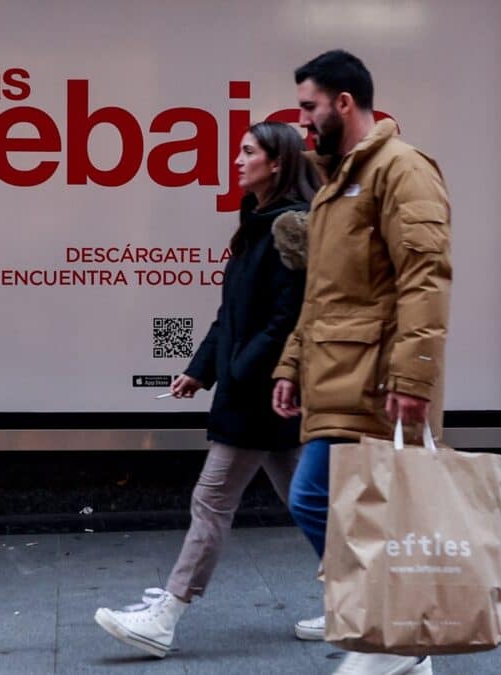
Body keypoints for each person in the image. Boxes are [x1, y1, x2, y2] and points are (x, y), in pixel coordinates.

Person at [93, 121, 322, 659]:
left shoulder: (291, 227)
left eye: (248, 152)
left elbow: (288, 318)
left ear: (277, 162)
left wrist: (239, 373)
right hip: (258, 387)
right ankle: (361, 599)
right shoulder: (256, 223)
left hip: (263, 392)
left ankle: (167, 614)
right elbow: (232, 314)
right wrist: (200, 369)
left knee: (212, 498)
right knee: (308, 501)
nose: (236, 160)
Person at [272, 50, 452, 675]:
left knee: (313, 494)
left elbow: (425, 278)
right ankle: (402, 644)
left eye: (308, 107)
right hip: (336, 375)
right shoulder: (335, 184)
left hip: (376, 378)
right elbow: (323, 293)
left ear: (343, 103)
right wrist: (291, 364)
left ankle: (395, 635)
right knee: (354, 509)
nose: (301, 121)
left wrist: (414, 376)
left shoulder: (401, 170)